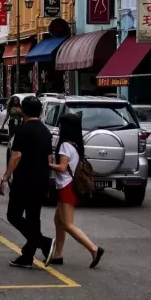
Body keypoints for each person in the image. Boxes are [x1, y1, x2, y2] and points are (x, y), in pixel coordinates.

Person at [0, 96, 55, 269]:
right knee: (33, 217)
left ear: (23, 111)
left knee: (13, 215)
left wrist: (5, 177)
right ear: (40, 111)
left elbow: (16, 155)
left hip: (24, 181)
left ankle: (44, 242)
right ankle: (27, 257)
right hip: (41, 180)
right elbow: (50, 158)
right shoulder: (45, 131)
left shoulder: (23, 131)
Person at [49, 113, 104, 269]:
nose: (59, 128)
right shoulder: (75, 144)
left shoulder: (66, 145)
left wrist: (47, 164)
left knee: (67, 223)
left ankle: (94, 249)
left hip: (66, 186)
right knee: (58, 221)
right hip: (65, 186)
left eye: (61, 125)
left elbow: (62, 168)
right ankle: (58, 255)